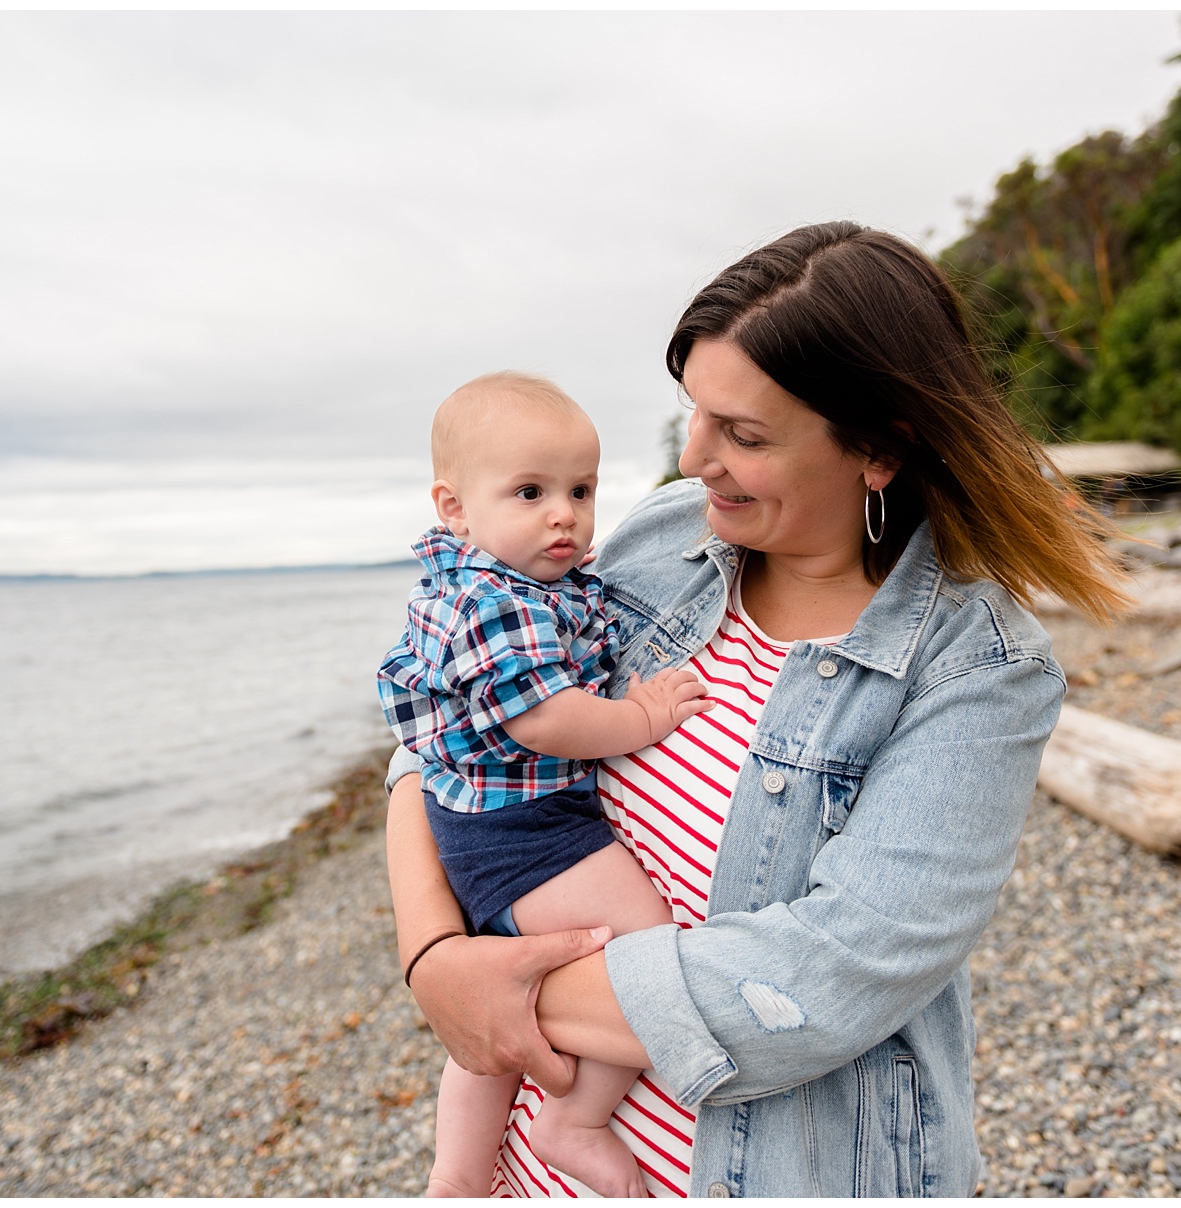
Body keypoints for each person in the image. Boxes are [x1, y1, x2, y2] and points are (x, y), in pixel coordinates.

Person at [385, 222, 1133, 1197]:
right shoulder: (665, 537)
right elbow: (441, 733)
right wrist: (434, 955)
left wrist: (499, 992)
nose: (694, 459)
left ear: (878, 450)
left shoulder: (977, 671)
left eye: (742, 434)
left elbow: (830, 976)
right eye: (694, 413)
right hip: (530, 1166)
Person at [377, 372, 714, 1197]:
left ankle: (456, 1175)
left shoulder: (511, 581)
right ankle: (575, 1119)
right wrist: (639, 720)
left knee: (491, 1022)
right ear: (453, 507)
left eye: (581, 489)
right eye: (530, 491)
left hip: (487, 825)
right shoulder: (498, 598)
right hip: (523, 826)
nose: (564, 512)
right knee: (641, 935)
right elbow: (542, 719)